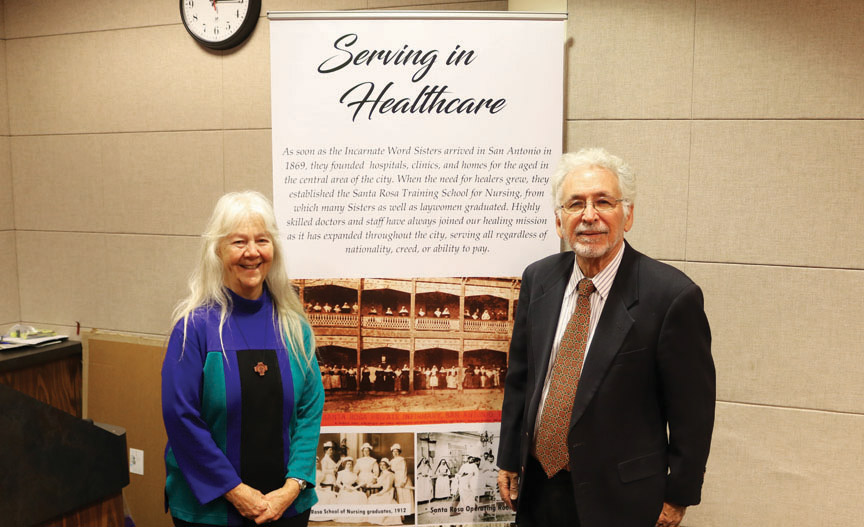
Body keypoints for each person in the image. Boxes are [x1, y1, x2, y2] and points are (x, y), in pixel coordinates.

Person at [497, 148, 715, 527]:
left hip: (620, 498)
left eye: (603, 201)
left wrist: (678, 496)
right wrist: (508, 457)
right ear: (558, 220)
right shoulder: (539, 279)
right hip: (538, 486)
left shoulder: (670, 296)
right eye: (575, 204)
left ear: (627, 215)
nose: (589, 215)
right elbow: (521, 377)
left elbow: (692, 413)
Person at [161, 191, 324, 527]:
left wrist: (291, 488)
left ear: (273, 249)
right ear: (218, 250)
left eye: (261, 240)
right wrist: (235, 490)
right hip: (212, 513)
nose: (252, 252)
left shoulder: (295, 327)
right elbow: (182, 419)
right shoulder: (194, 328)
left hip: (287, 508)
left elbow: (310, 412)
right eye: (239, 242)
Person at [390, 444, 414, 515]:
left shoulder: (402, 460)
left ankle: (408, 512)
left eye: (397, 451)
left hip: (403, 478)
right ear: (392, 452)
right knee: (399, 495)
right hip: (396, 478)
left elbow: (404, 470)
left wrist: (403, 481)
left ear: (399, 452)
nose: (395, 453)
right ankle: (402, 513)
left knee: (405, 495)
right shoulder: (391, 461)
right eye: (394, 451)